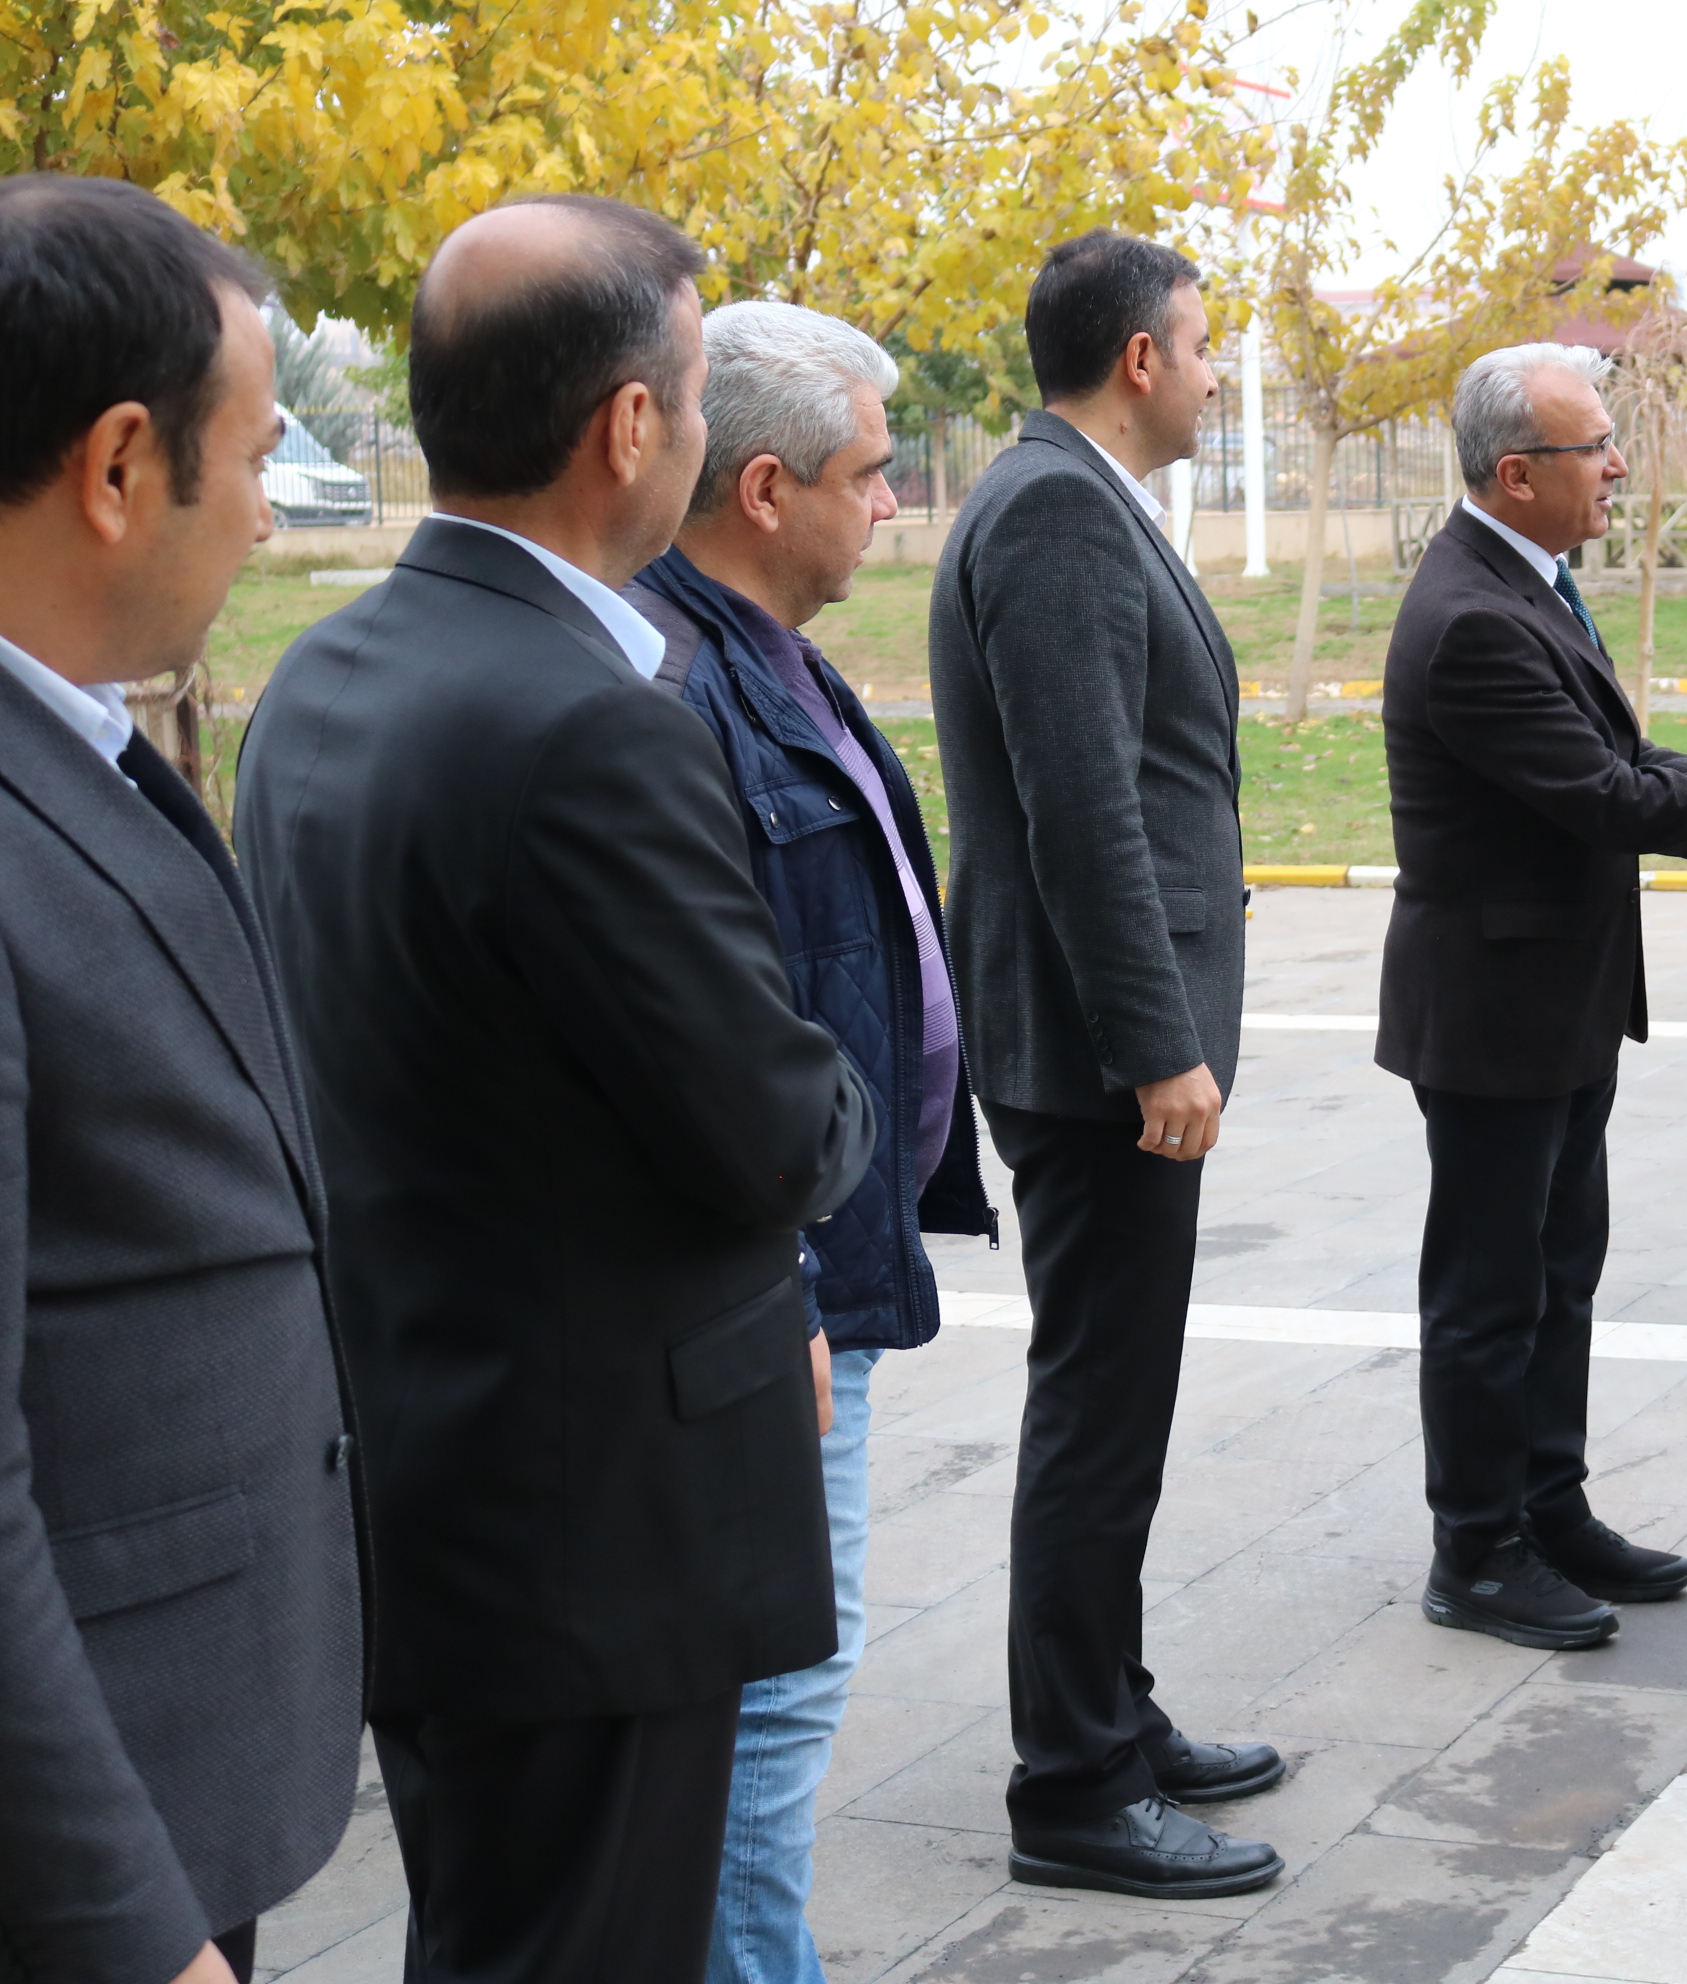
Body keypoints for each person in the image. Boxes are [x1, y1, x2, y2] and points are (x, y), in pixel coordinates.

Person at [235, 196, 880, 1982]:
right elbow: (771, 1125)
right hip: (594, 1529)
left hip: (432, 1475)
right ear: (629, 427)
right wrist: (836, 1077)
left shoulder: (325, 676)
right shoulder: (585, 725)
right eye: (689, 391)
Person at [1378, 342, 1687, 1652]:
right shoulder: (1475, 613)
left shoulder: (1526, 585)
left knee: (1559, 1269)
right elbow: (1602, 798)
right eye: (1593, 446)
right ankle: (1477, 1550)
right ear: (1513, 471)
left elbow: (1597, 760)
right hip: (1497, 1010)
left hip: (1559, 999)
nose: (1618, 466)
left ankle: (1550, 1506)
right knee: (1493, 1291)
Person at [0, 173, 360, 1984]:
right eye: (264, 450)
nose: (271, 510)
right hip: (90, 1856)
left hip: (182, 1750)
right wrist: (128, 1929)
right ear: (123, 464)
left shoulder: (74, 742)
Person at [619, 301, 994, 1984]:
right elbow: (699, 1045)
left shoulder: (769, 648)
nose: (896, 498)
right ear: (765, 487)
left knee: (778, 1701)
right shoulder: (677, 683)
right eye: (872, 470)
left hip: (823, 1263)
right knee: (766, 1714)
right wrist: (786, 1282)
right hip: (784, 1294)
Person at [928, 229, 1284, 1901]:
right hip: (1093, 1058)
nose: (1217, 372)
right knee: (1097, 1410)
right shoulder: (1058, 509)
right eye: (1204, 346)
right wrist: (1156, 1047)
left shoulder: (1065, 495)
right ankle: (1072, 1776)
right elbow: (1082, 807)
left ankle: (1112, 1711)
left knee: (1116, 1407)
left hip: (1093, 1045)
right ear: (1140, 358)